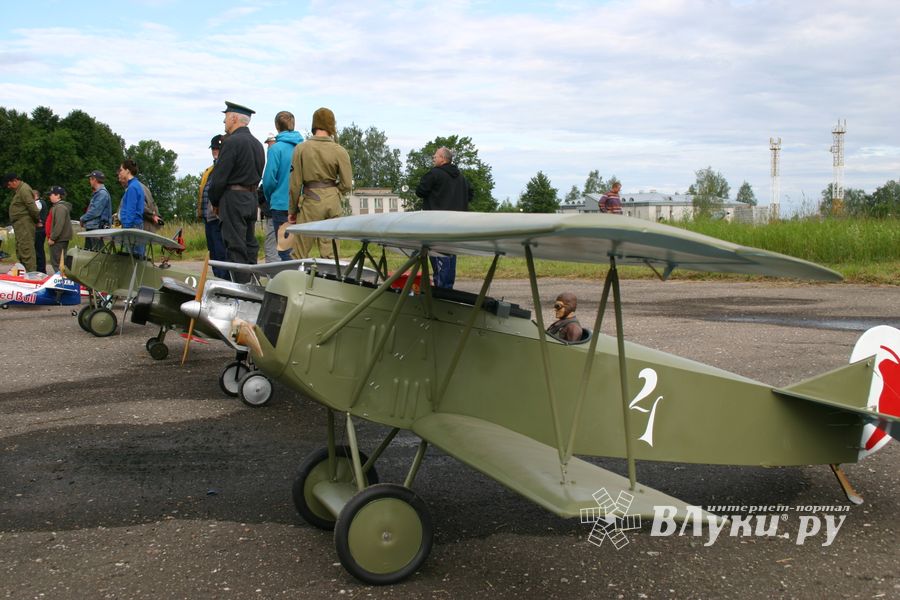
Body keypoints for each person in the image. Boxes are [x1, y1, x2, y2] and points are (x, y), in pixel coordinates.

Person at [208, 101, 265, 282]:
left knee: (235, 248)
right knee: (250, 246)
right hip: (251, 198)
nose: (224, 122)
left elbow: (219, 177)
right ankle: (252, 284)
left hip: (233, 199)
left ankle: (240, 292)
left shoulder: (231, 142)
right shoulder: (257, 144)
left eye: (226, 118)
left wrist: (215, 201)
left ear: (233, 118)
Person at [288, 107, 352, 259]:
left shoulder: (301, 149)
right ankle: (329, 280)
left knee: (300, 252)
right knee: (331, 255)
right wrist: (334, 192)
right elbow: (347, 184)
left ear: (314, 125)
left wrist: (292, 210)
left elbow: (295, 184)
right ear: (332, 125)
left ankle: (298, 279)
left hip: (310, 201)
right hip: (332, 201)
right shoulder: (339, 151)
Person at [415, 147, 473, 289]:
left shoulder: (434, 174)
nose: (433, 158)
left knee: (438, 257)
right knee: (450, 256)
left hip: (436, 226)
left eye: (435, 156)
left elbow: (420, 191)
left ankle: (442, 292)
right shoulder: (462, 178)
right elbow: (470, 195)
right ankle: (447, 288)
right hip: (456, 227)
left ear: (443, 158)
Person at [262, 114, 303, 261]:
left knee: (284, 249)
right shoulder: (303, 147)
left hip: (280, 204)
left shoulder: (276, 149)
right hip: (300, 203)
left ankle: (289, 280)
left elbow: (269, 180)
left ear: (277, 127)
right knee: (298, 248)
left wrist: (270, 197)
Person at [197, 135, 229, 278]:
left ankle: (223, 280)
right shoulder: (209, 170)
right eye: (214, 148)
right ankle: (218, 279)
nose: (215, 151)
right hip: (208, 216)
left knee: (220, 252)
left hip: (218, 216)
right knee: (214, 253)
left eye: (218, 148)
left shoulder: (223, 167)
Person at [3, 173, 39, 271]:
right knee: (21, 249)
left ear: (15, 181)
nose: (8, 187)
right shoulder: (20, 190)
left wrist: (36, 220)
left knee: (26, 249)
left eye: (9, 184)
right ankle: (25, 272)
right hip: (20, 225)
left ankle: (31, 274)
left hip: (24, 224)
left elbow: (32, 207)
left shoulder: (24, 190)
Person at [117, 159, 146, 256]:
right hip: (136, 226)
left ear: (127, 171)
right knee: (136, 258)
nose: (120, 172)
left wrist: (126, 228)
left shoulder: (132, 187)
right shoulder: (136, 185)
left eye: (121, 170)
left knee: (133, 259)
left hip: (132, 227)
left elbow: (131, 211)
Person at [81, 170, 112, 251]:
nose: (89, 181)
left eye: (90, 179)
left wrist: (83, 219)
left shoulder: (102, 194)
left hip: (96, 229)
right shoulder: (99, 193)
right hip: (94, 228)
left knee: (96, 256)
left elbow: (95, 211)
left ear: (94, 179)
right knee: (90, 253)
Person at [45, 186, 73, 273]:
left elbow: (59, 225)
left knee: (58, 263)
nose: (50, 196)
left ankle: (61, 281)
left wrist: (53, 238)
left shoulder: (60, 207)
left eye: (51, 194)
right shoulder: (57, 207)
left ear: (58, 196)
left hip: (58, 240)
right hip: (58, 239)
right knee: (57, 262)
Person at [33, 189, 48, 273]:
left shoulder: (38, 203)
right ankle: (41, 269)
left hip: (39, 230)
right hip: (41, 230)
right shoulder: (42, 203)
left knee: (38, 250)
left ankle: (41, 269)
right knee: (39, 250)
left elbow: (34, 213)